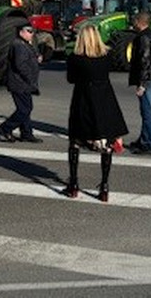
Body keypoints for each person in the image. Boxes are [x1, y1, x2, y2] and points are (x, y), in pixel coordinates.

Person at [64, 25, 128, 202]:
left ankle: (74, 184)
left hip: (83, 100)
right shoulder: (106, 56)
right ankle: (104, 186)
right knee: (106, 145)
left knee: (75, 142)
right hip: (105, 99)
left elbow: (71, 79)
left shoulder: (75, 58)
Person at [127, 11, 151, 155]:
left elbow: (145, 61)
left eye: (134, 21)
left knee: (147, 112)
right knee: (146, 111)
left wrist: (142, 84)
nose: (132, 24)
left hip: (148, 80)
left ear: (139, 22)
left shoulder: (143, 38)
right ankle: (144, 140)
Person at [0, 23, 43, 143]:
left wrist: (37, 56)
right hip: (19, 83)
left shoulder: (25, 44)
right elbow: (20, 65)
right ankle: (5, 128)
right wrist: (29, 77)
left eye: (33, 31)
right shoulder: (18, 45)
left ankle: (26, 133)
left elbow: (32, 56)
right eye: (29, 31)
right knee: (24, 110)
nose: (31, 34)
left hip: (23, 83)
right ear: (20, 32)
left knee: (26, 108)